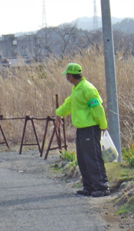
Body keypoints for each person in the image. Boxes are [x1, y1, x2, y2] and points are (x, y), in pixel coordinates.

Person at [55, 63, 110, 198]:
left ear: (71, 76)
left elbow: (97, 108)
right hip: (81, 129)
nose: (66, 77)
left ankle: (102, 187)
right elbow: (69, 104)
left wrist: (103, 125)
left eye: (67, 75)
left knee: (92, 158)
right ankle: (89, 187)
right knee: (83, 159)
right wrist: (59, 113)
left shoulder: (87, 89)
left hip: (90, 128)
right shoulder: (77, 89)